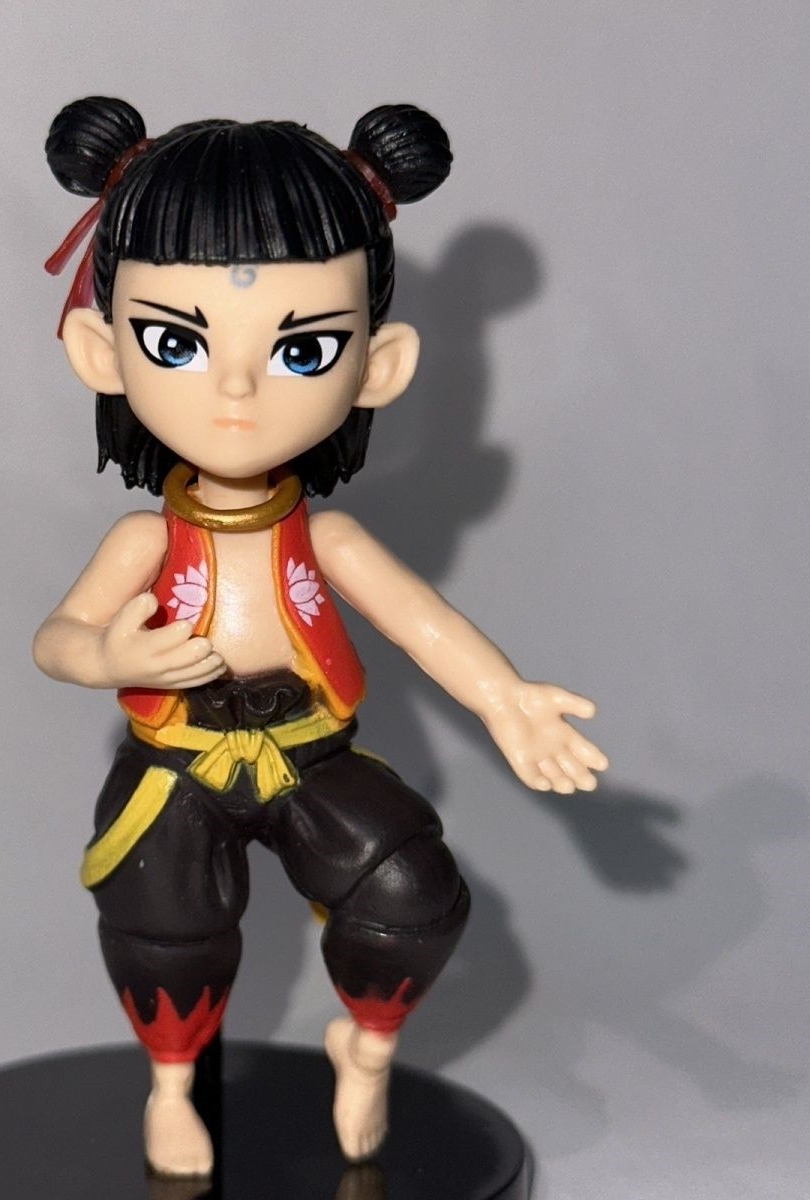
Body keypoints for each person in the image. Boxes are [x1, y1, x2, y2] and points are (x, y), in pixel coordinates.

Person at [33, 97, 608, 1177]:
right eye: (176, 343)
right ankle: (172, 1088)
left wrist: (506, 698)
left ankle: (369, 1047)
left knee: (411, 899)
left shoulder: (326, 537)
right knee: (163, 930)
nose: (236, 390)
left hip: (309, 752)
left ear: (379, 366)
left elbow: (425, 623)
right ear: (100, 351)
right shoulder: (143, 540)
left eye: (302, 349)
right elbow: (58, 638)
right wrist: (108, 657)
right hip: (177, 759)